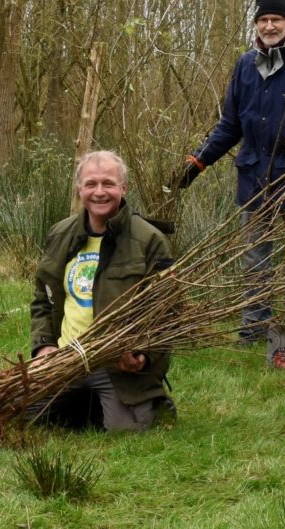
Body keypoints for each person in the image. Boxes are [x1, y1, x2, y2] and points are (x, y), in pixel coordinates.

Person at [177, 0, 285, 365]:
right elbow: (229, 125)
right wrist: (199, 161)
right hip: (255, 179)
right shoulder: (245, 66)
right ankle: (253, 329)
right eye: (263, 20)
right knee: (255, 261)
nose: (270, 26)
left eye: (276, 19)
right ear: (256, 25)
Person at [26, 151, 176, 431]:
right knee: (23, 416)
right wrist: (44, 345)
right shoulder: (60, 234)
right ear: (79, 189)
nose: (99, 192)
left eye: (108, 183)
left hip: (116, 365)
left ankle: (150, 401)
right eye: (90, 184)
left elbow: (168, 313)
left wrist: (142, 354)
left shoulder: (149, 240)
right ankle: (87, 401)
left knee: (126, 430)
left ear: (123, 188)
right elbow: (42, 299)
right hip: (67, 356)